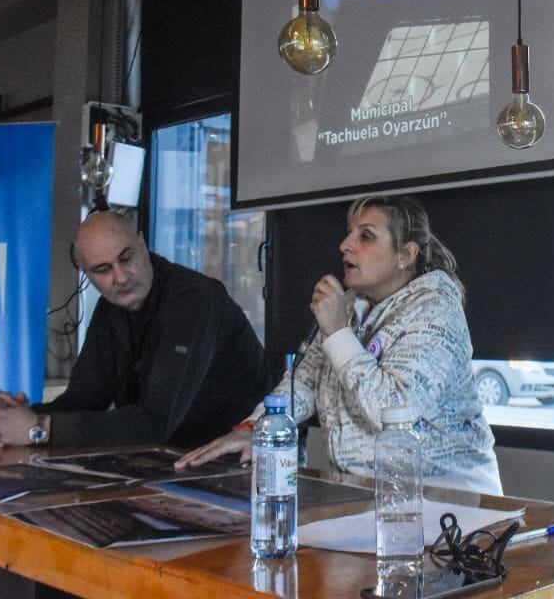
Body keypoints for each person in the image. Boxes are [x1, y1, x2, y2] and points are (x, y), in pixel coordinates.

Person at [177, 195, 502, 495]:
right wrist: (255, 427)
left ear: (405, 254)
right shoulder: (348, 305)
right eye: (349, 233)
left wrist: (337, 333)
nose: (345, 245)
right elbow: (302, 383)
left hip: (450, 500)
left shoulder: (436, 308)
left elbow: (395, 411)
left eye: (366, 236)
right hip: (362, 492)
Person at [0, 211, 269, 449]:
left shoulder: (194, 299)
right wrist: (16, 418)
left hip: (236, 467)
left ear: (143, 244)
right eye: (102, 269)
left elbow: (155, 424)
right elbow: (83, 400)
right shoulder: (111, 308)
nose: (121, 277)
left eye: (126, 258)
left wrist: (39, 429)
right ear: (86, 274)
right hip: (170, 465)